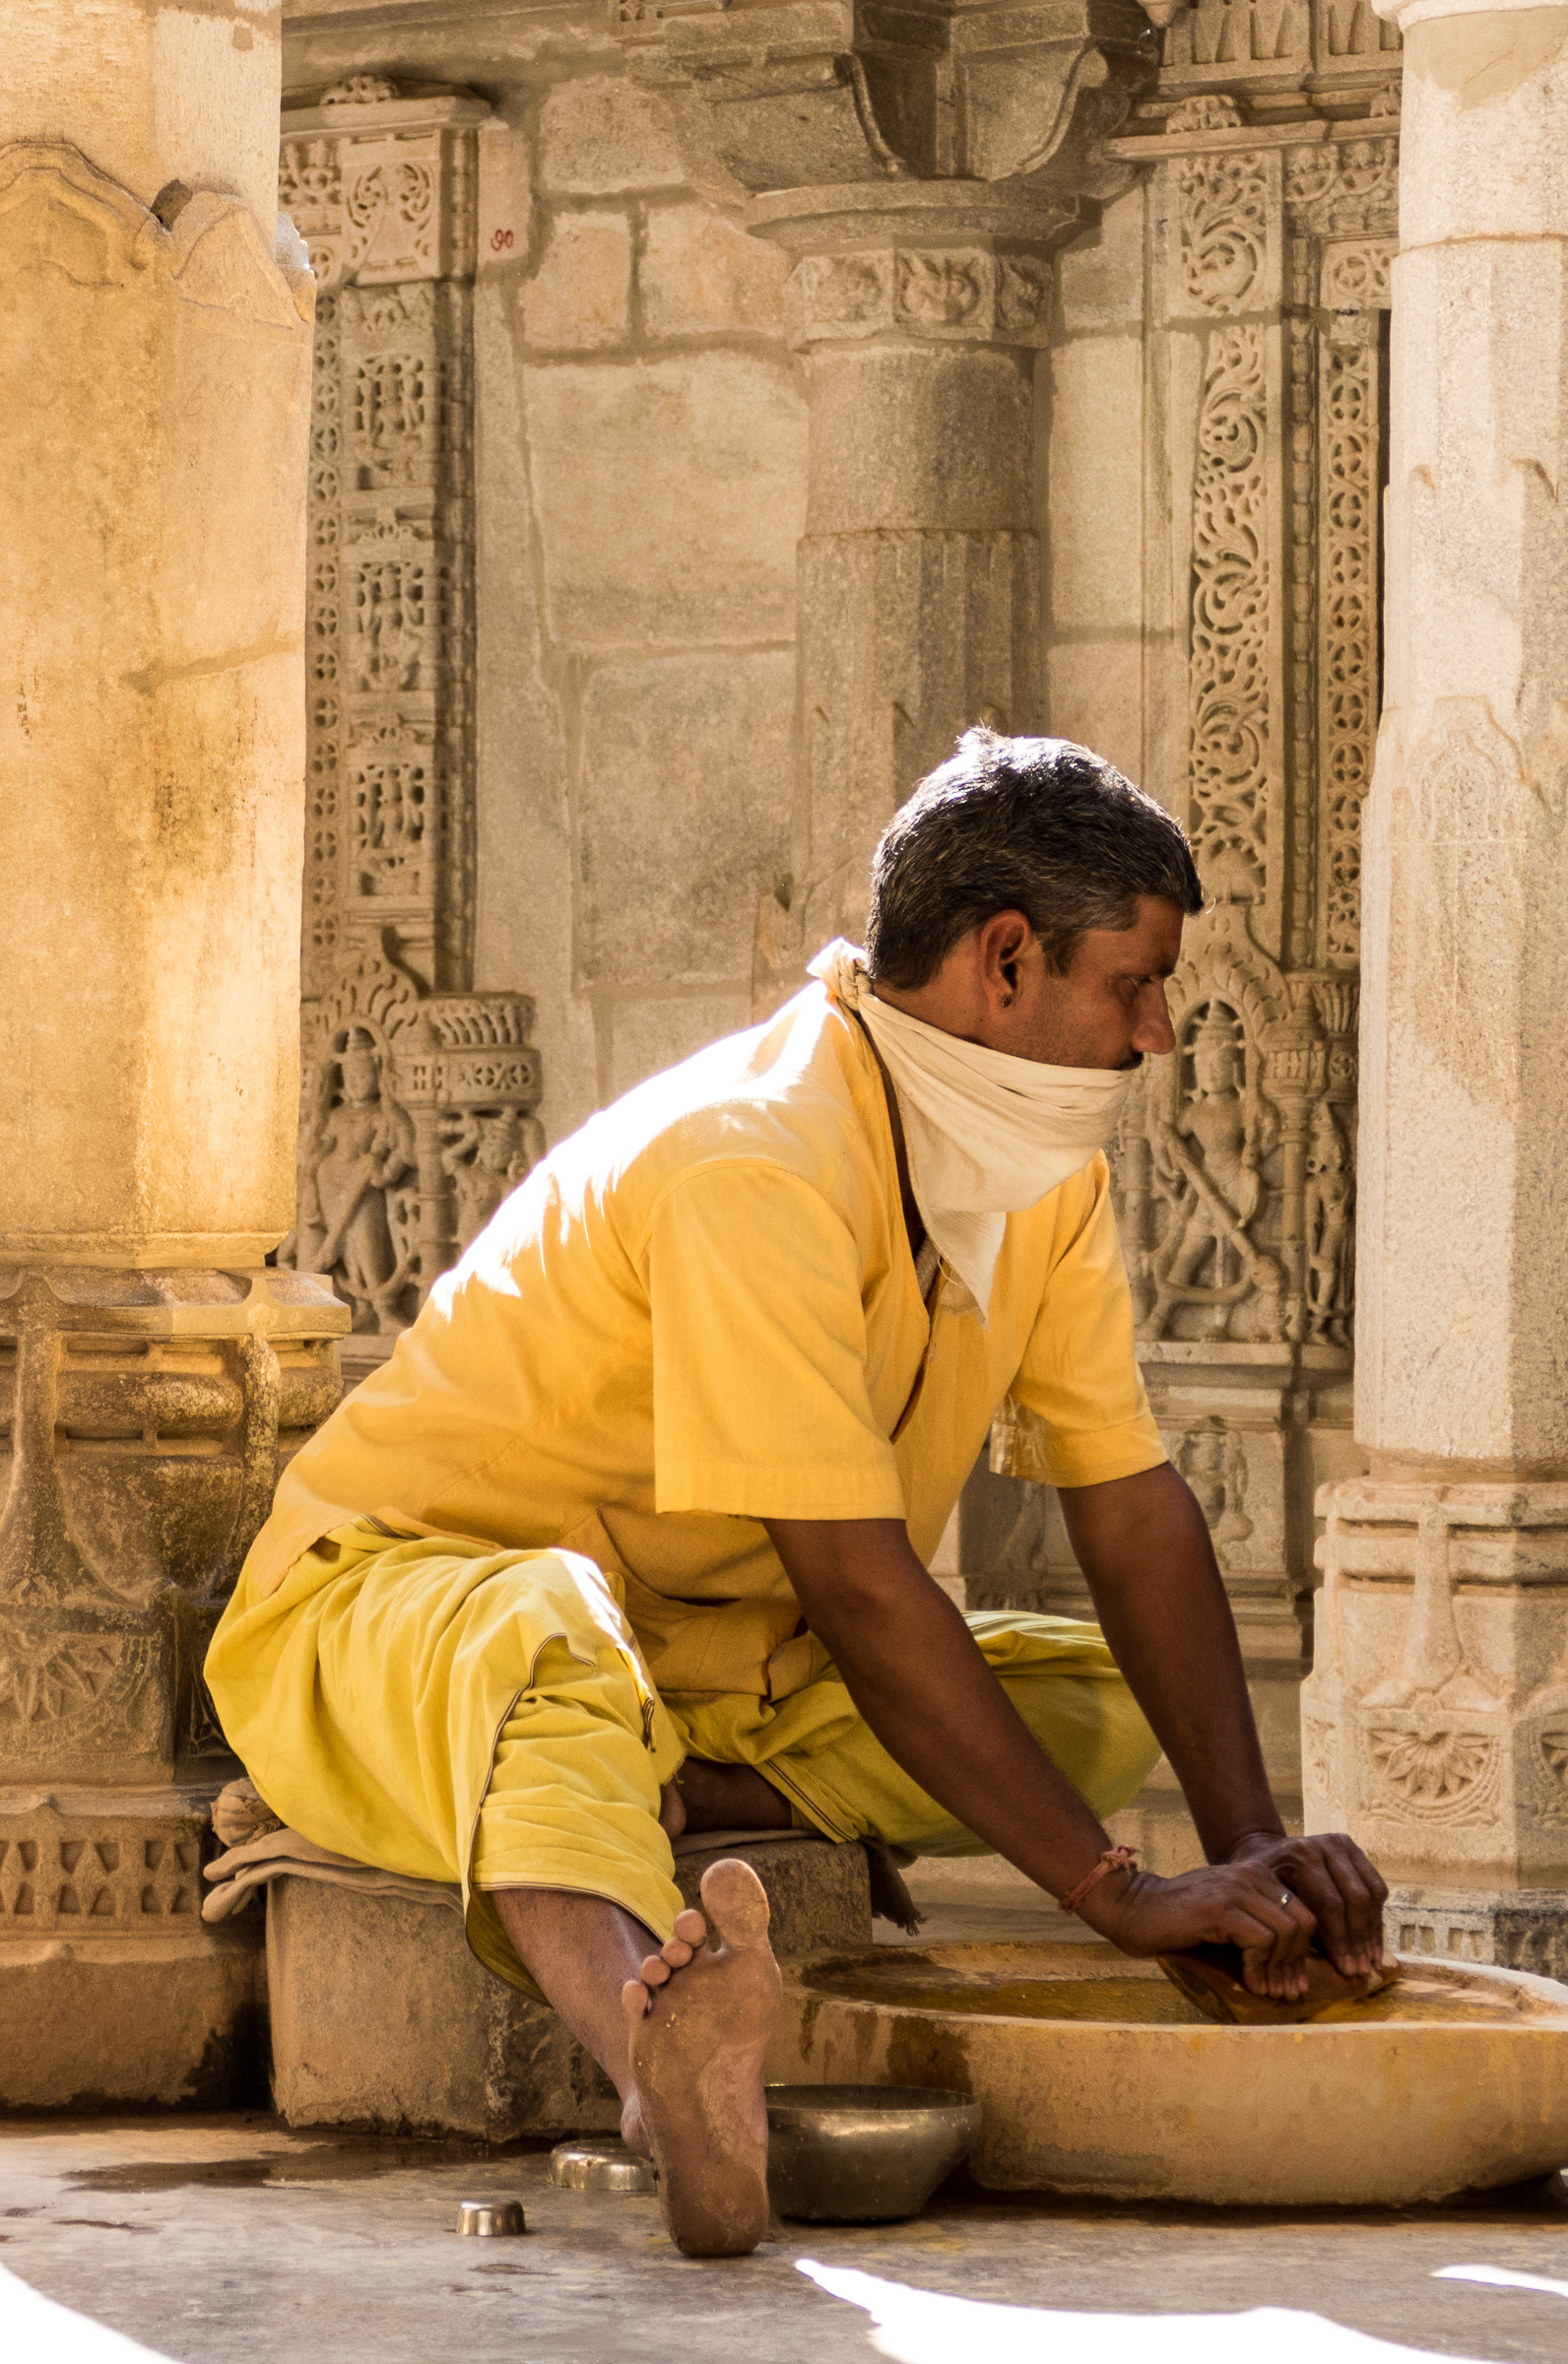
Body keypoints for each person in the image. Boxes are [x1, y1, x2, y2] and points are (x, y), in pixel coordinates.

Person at [205, 730, 1389, 2258]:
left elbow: (1131, 1507)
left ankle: (680, 1783)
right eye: (1135, 985)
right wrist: (1113, 1895)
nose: (1158, 1033)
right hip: (394, 1611)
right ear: (1006, 961)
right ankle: (661, 2074)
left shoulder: (1045, 1176)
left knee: (1087, 1699)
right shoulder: (756, 1159)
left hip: (712, 1678)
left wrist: (1248, 1854)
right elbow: (858, 1584)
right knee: (551, 1644)